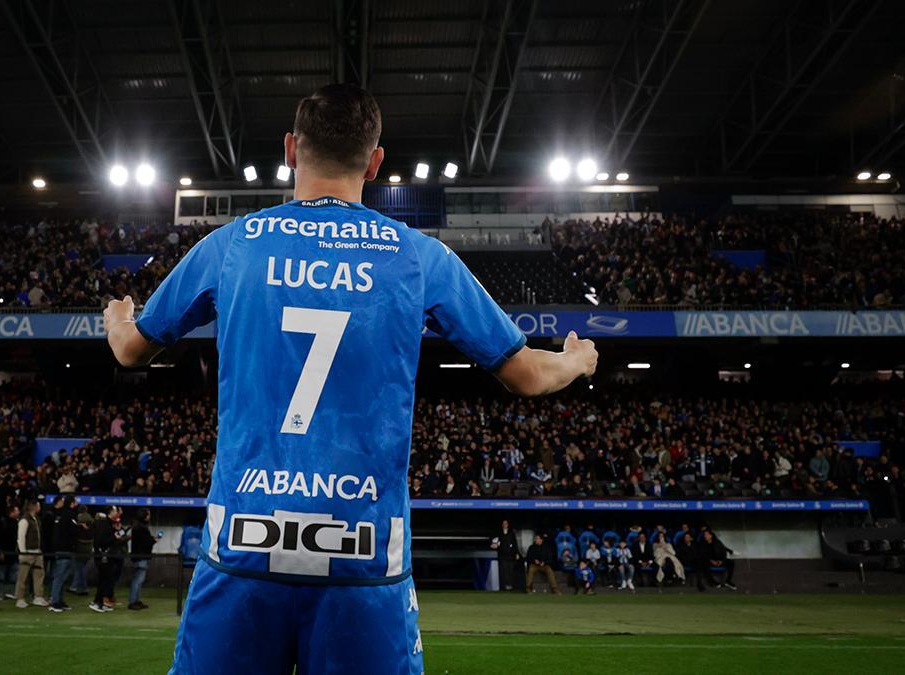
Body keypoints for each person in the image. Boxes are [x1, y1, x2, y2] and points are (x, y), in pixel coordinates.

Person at [103, 83, 596, 674]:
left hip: (242, 549)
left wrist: (118, 317)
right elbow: (526, 375)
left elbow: (131, 351)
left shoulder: (232, 244)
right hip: (363, 560)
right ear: (376, 159)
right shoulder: (418, 255)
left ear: (290, 149)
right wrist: (576, 359)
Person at [15, 500, 49, 609]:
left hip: (37, 552)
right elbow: (21, 538)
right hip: (27, 552)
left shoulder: (36, 520)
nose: (40, 507)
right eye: (38, 505)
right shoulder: (24, 521)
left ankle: (38, 596)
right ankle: (20, 598)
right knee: (22, 577)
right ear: (33, 507)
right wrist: (23, 552)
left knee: (39, 575)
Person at [90, 506, 123, 613]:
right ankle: (98, 602)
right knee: (105, 579)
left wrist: (116, 532)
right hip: (104, 556)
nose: (117, 513)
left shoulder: (108, 523)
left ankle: (99, 601)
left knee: (104, 579)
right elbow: (102, 540)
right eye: (115, 511)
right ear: (110, 512)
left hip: (106, 555)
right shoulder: (103, 523)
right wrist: (115, 537)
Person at [48, 496, 78, 612]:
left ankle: (59, 601)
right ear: (72, 503)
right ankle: (55, 602)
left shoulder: (59, 515)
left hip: (60, 549)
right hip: (65, 549)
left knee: (61, 577)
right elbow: (74, 531)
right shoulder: (69, 515)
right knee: (60, 576)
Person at [127, 508, 159, 610]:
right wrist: (153, 540)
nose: (149, 517)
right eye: (148, 515)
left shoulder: (138, 527)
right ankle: (133, 601)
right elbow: (146, 543)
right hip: (141, 557)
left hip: (139, 556)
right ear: (145, 516)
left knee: (138, 580)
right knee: (138, 580)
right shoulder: (141, 528)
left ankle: (136, 600)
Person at [491, 519, 522, 591]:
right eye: (503, 523)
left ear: (508, 524)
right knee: (503, 572)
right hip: (502, 555)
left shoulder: (511, 533)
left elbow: (515, 544)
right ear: (502, 525)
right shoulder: (498, 533)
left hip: (511, 555)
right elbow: (494, 541)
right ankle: (503, 587)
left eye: (506, 523)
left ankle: (511, 586)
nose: (505, 524)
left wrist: (517, 553)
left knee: (510, 571)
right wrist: (493, 545)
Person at [71, 505, 94, 596]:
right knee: (81, 568)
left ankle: (81, 587)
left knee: (79, 568)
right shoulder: (92, 520)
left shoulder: (78, 520)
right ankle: (76, 586)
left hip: (80, 547)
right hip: (88, 547)